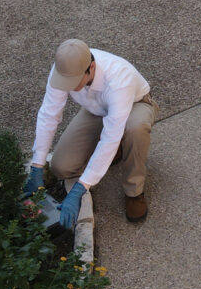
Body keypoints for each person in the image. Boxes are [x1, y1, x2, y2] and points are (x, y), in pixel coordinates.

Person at [24, 39, 158, 228]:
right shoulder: (64, 68)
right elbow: (49, 114)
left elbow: (110, 138)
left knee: (134, 129)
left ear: (91, 67)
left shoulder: (119, 79)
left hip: (135, 106)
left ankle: (134, 192)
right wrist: (37, 165)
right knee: (61, 167)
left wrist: (80, 188)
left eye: (73, 82)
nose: (68, 87)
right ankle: (118, 151)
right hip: (96, 110)